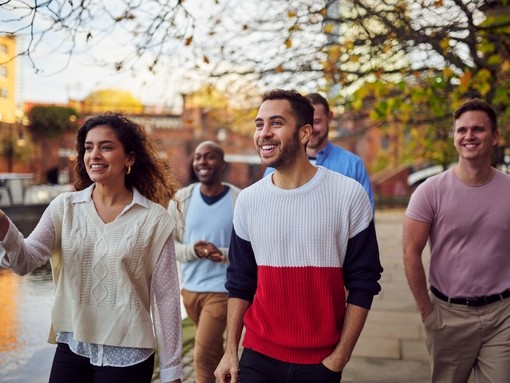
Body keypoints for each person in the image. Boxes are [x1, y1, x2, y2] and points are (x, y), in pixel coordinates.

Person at [0, 113, 183, 383]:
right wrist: (3, 224)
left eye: (106, 147)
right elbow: (25, 261)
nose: (94, 155)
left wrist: (172, 370)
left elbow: (166, 299)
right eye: (88, 147)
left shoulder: (155, 220)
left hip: (128, 354)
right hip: (73, 346)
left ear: (129, 158)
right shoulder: (64, 208)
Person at [214, 89, 382, 383]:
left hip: (320, 362)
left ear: (305, 133)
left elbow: (364, 281)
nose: (263, 133)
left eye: (276, 123)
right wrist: (230, 350)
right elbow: (240, 279)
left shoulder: (348, 194)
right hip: (258, 355)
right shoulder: (248, 200)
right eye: (259, 124)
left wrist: (339, 358)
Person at [403, 99, 510, 382]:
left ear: (495, 136)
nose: (469, 136)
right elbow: (411, 253)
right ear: (454, 137)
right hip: (448, 315)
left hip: (503, 315)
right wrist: (428, 313)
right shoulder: (430, 192)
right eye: (461, 130)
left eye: (478, 129)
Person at [167, 141, 241, 383]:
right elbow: (167, 248)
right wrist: (194, 251)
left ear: (222, 164)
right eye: (198, 157)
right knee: (214, 352)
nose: (202, 162)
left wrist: (225, 254)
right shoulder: (181, 199)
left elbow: (252, 250)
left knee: (202, 355)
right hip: (189, 291)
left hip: (222, 291)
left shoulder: (239, 200)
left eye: (209, 157)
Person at [263, 92, 374, 209]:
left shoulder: (353, 165)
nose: (310, 129)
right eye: (305, 123)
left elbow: (365, 215)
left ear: (329, 117)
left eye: (316, 122)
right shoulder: (276, 165)